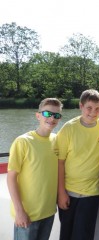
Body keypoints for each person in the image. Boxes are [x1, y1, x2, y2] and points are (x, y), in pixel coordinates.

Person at [7, 98, 63, 240]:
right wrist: (20, 211)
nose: (51, 118)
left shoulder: (57, 141)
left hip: (48, 212)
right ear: (38, 115)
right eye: (47, 114)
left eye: (56, 115)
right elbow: (11, 177)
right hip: (27, 214)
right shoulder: (23, 141)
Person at [57, 89, 99, 240]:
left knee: (84, 235)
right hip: (68, 192)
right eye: (89, 108)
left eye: (98, 108)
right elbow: (60, 162)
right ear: (81, 106)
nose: (93, 112)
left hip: (92, 193)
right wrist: (61, 193)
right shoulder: (68, 128)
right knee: (66, 233)